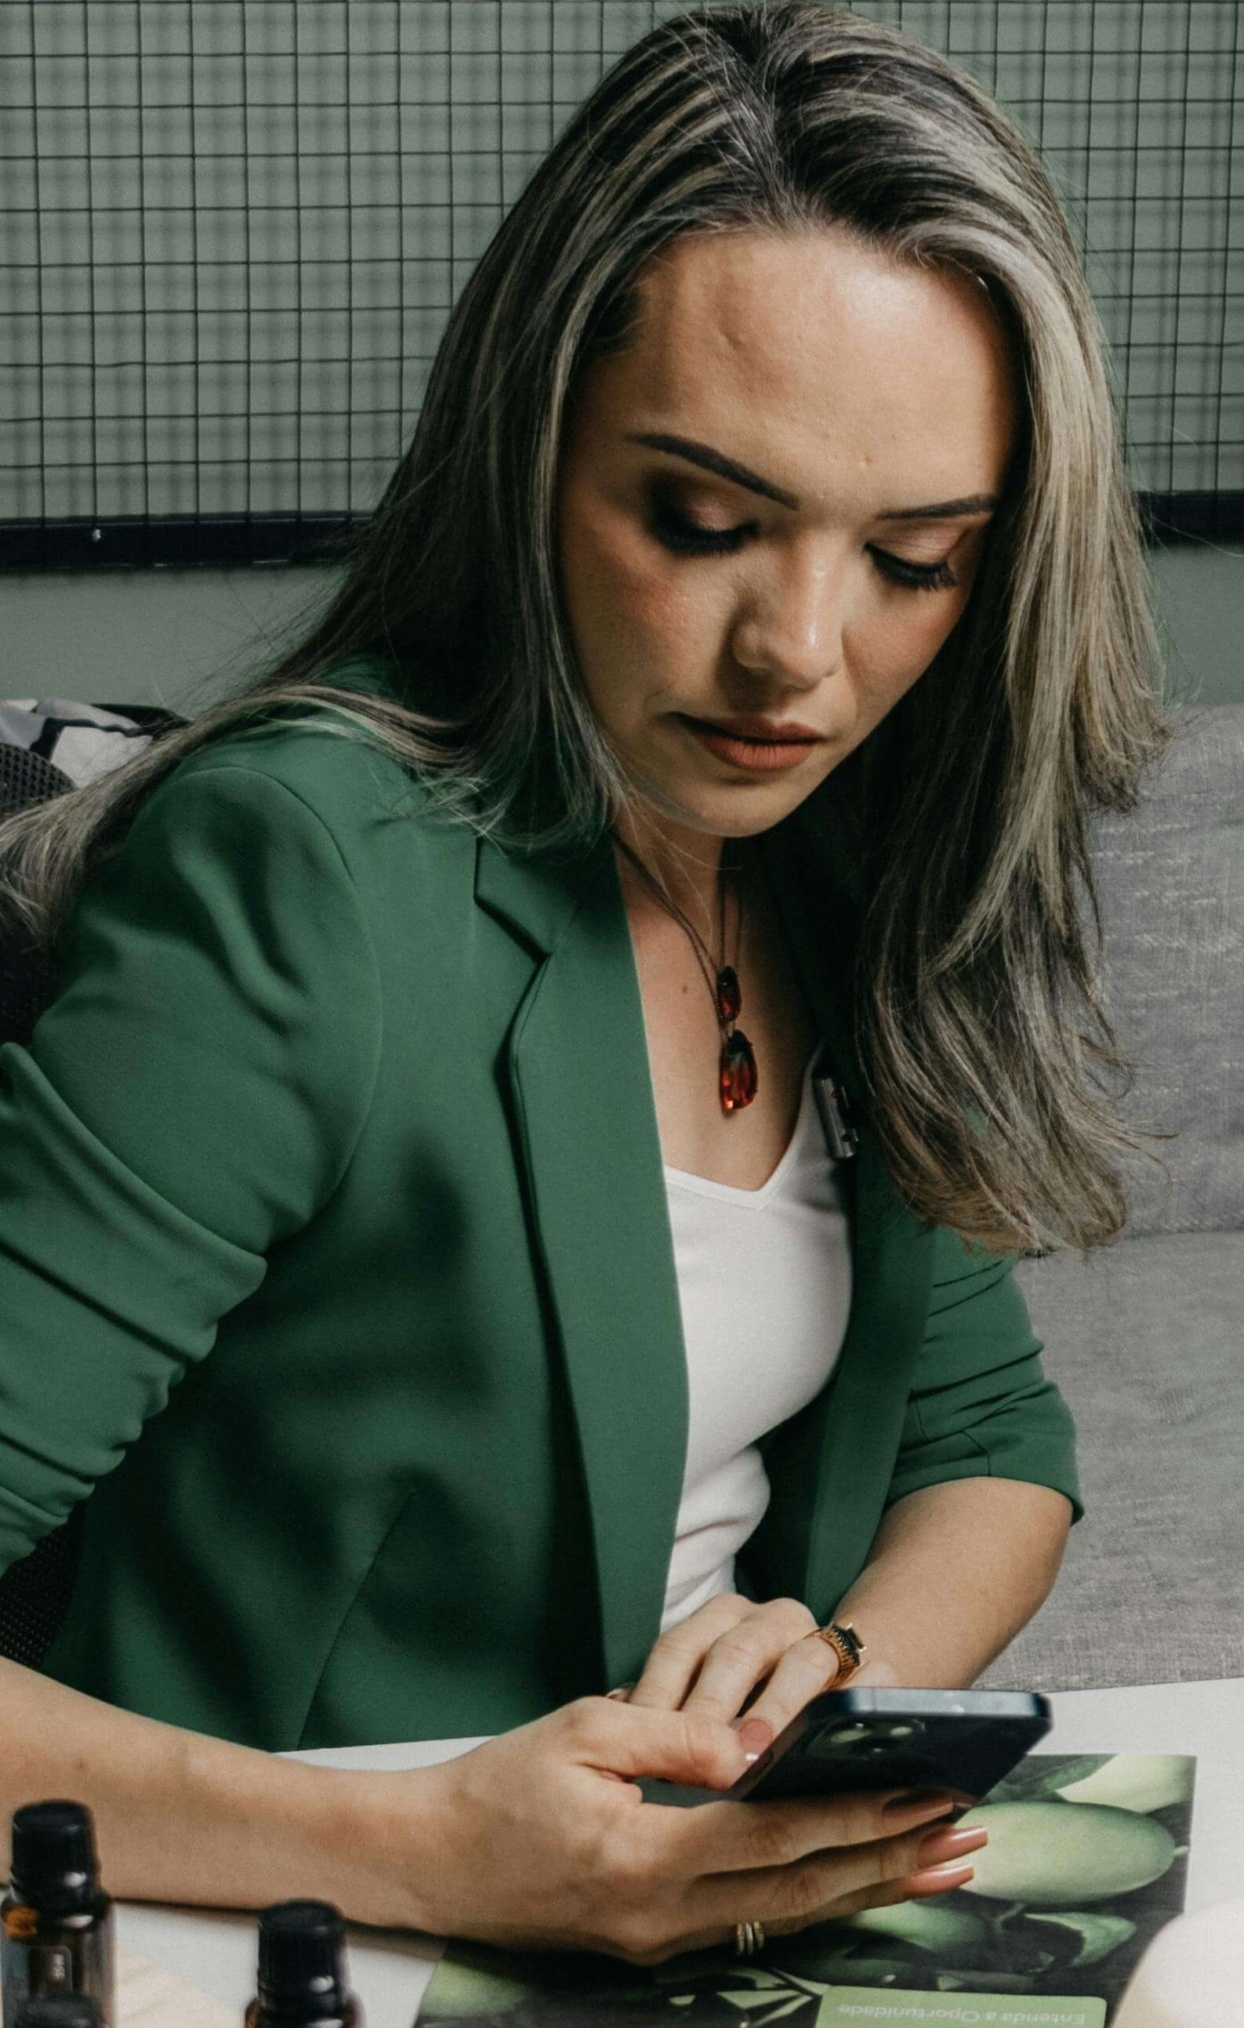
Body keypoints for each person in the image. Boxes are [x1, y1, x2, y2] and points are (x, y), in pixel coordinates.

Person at [0, 1, 1164, 1964]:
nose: (797, 651)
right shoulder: (302, 876)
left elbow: (993, 1454)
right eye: (702, 522)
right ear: (529, 461)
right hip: (291, 1942)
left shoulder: (840, 859)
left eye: (914, 559)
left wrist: (826, 1698)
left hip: (691, 1926)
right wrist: (429, 1853)